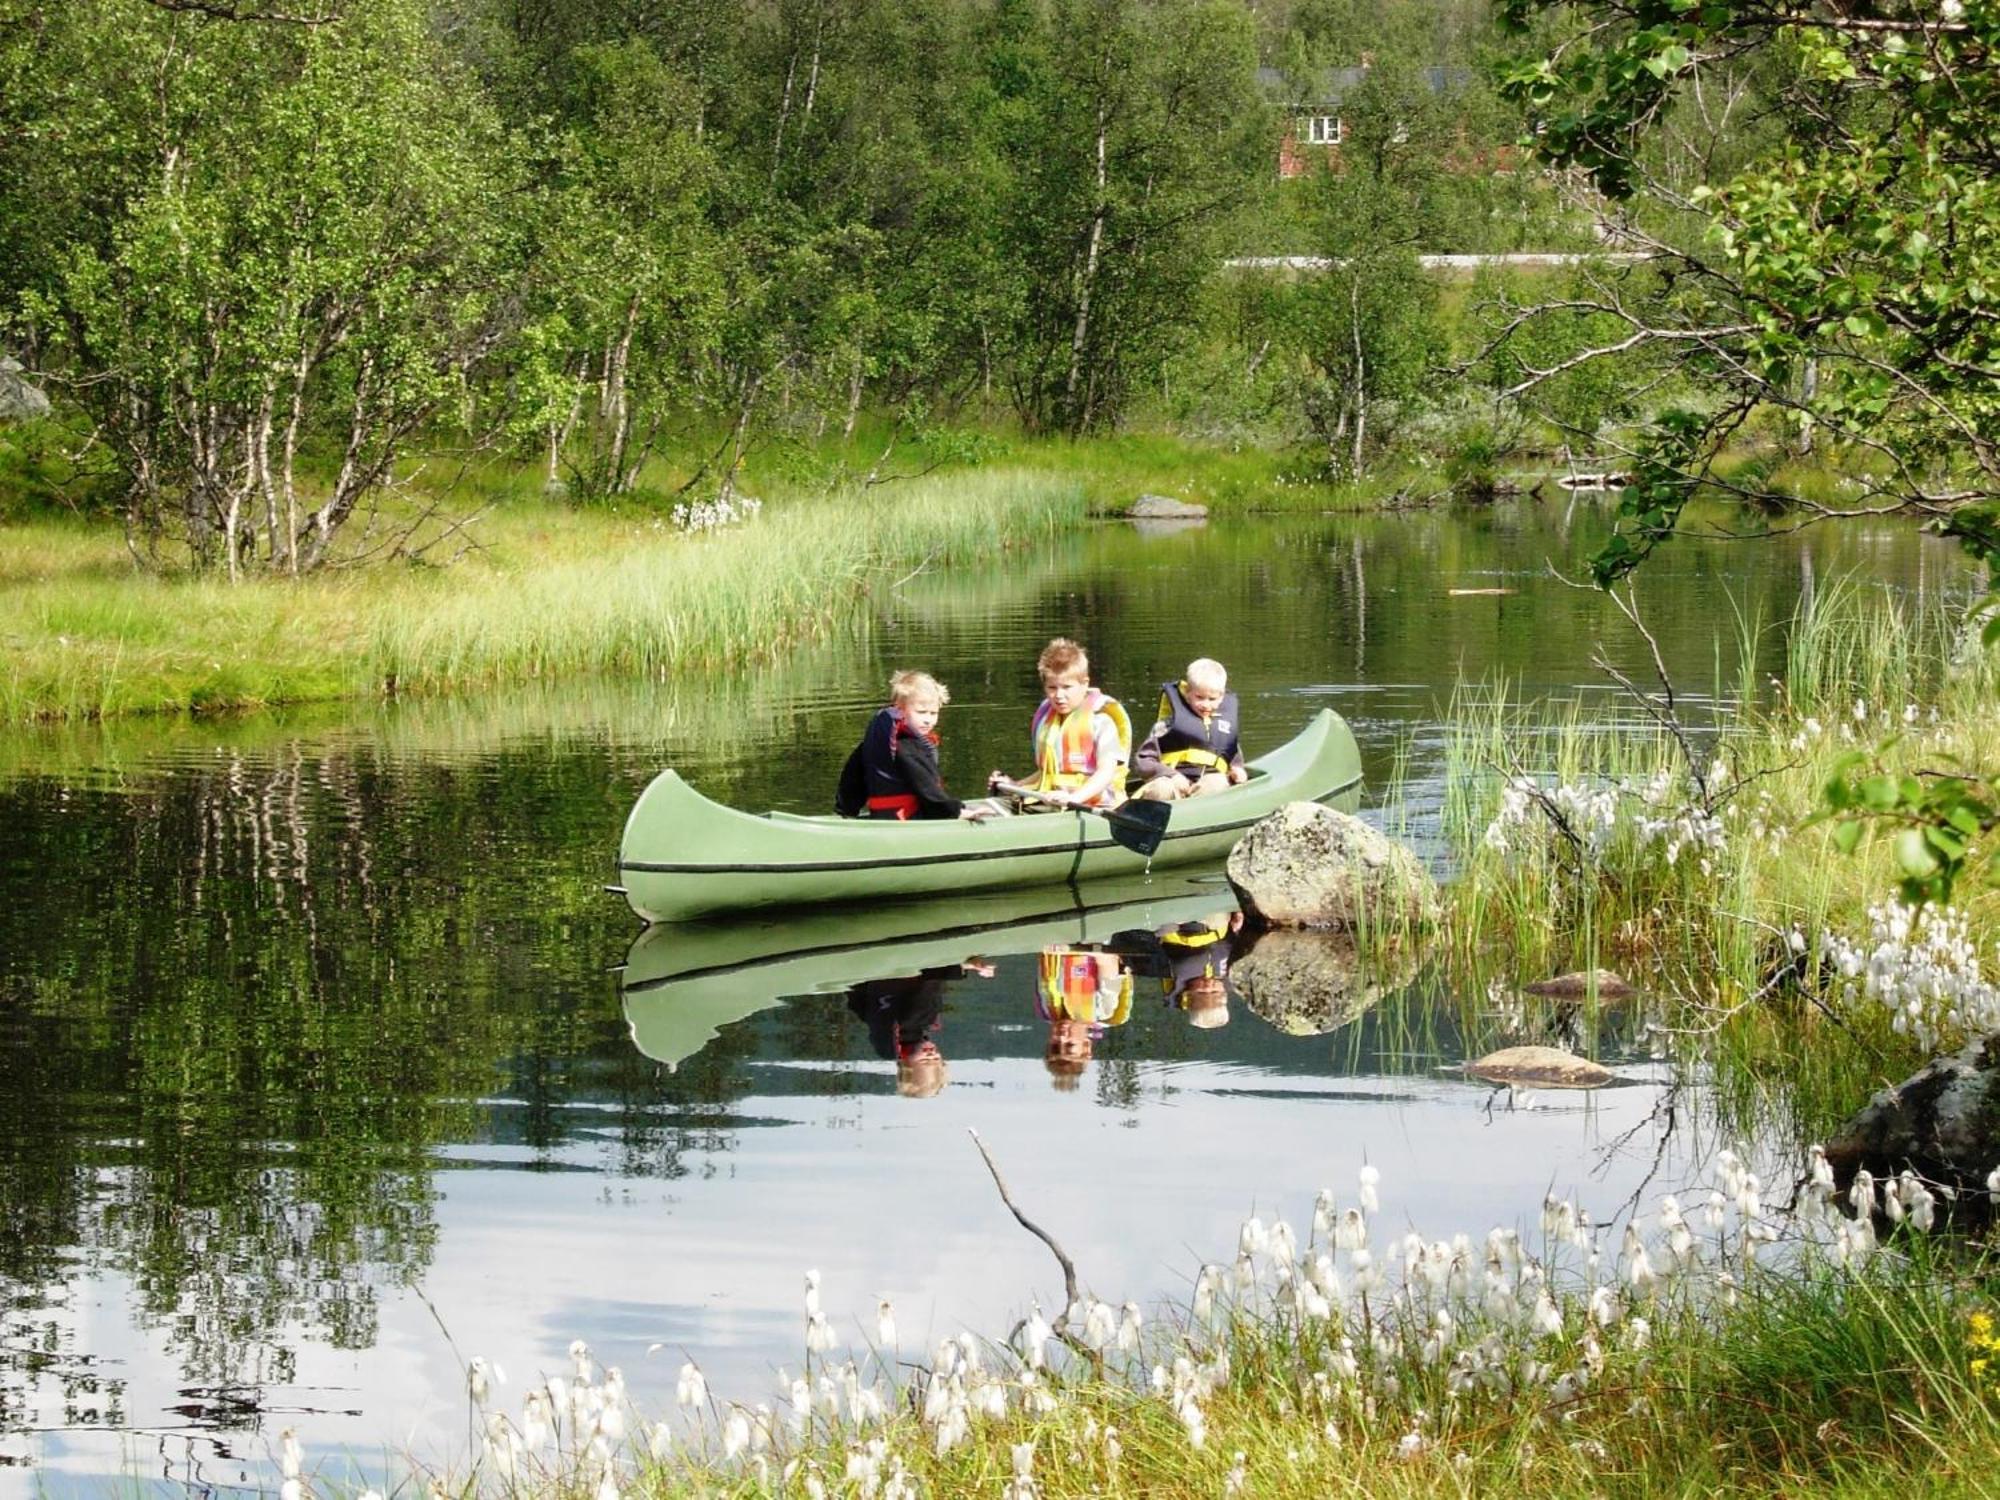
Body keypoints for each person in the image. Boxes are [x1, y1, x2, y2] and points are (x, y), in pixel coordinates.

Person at [988, 638, 1131, 811]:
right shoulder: (1049, 721)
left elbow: (1106, 773)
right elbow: (1049, 773)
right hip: (1052, 799)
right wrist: (1015, 785)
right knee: (991, 807)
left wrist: (1074, 798)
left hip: (1094, 804)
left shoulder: (1102, 722)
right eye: (1052, 688)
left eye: (1066, 687)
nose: (1059, 695)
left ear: (1085, 684)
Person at [836, 670, 989, 821]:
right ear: (899, 709)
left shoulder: (880, 739)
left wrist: (847, 809)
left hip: (884, 815)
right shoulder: (905, 745)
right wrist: (955, 811)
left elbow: (851, 778)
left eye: (933, 713)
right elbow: (925, 785)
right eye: (921, 712)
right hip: (906, 817)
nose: (928, 720)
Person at [1131, 658, 1248, 802]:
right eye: (1199, 697)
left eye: (1212, 699)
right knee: (1161, 787)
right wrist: (1171, 775)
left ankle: (1199, 817)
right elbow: (1143, 761)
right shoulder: (1166, 725)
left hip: (1206, 788)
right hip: (1173, 785)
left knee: (1216, 782)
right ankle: (1155, 819)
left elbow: (1235, 761)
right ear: (1187, 693)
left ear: (1221, 697)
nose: (1206, 705)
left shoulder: (1225, 728)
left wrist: (1238, 771)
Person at [1035, 946, 1131, 1090]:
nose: (1061, 1038)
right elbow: (1109, 958)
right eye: (1070, 1045)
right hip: (1094, 940)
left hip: (1053, 939)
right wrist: (1069, 948)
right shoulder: (1103, 1010)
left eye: (1054, 1047)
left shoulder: (1045, 1010)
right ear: (1086, 1047)